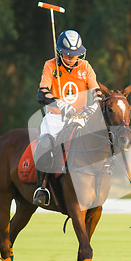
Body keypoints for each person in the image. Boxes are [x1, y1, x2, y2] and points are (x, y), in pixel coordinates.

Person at [33, 30, 101, 206]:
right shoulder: (50, 66)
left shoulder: (85, 67)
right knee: (45, 145)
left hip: (80, 118)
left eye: (75, 55)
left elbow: (97, 93)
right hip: (56, 118)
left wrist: (91, 109)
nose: (71, 58)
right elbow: (42, 94)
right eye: (67, 55)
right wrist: (61, 105)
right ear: (59, 52)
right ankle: (42, 188)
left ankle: (102, 181)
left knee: (102, 141)